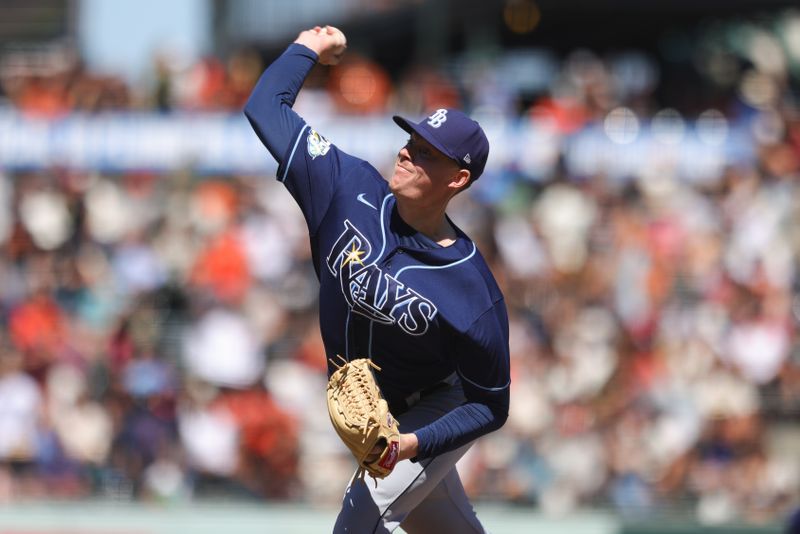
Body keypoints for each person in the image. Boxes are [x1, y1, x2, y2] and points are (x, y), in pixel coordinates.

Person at [244, 25, 510, 533]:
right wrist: (308, 48)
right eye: (410, 140)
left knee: (357, 526)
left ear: (458, 179)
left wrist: (413, 444)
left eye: (427, 151)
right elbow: (264, 106)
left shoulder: (471, 288)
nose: (407, 152)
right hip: (374, 413)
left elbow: (490, 405)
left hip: (429, 411)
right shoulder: (347, 187)